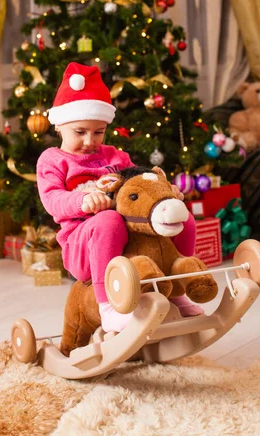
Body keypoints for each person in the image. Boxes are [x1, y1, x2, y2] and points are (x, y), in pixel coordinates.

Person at [37, 62, 203, 333]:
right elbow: (52, 199)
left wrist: (164, 193)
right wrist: (82, 201)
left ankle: (177, 288)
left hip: (131, 237)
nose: (90, 140)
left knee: (182, 218)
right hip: (81, 244)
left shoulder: (115, 156)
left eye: (98, 131)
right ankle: (107, 306)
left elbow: (141, 182)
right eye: (80, 131)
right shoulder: (53, 159)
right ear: (59, 125)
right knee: (109, 220)